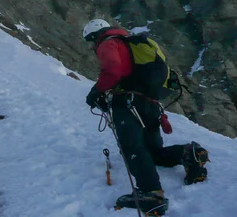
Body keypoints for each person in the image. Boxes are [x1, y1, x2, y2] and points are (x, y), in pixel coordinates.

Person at [83, 19, 209, 216]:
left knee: (132, 147)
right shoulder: (132, 43)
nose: (92, 47)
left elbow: (113, 70)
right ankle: (188, 154)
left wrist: (96, 92)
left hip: (127, 103)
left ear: (94, 35)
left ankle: (151, 194)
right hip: (150, 104)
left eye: (91, 42)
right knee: (152, 152)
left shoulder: (108, 42)